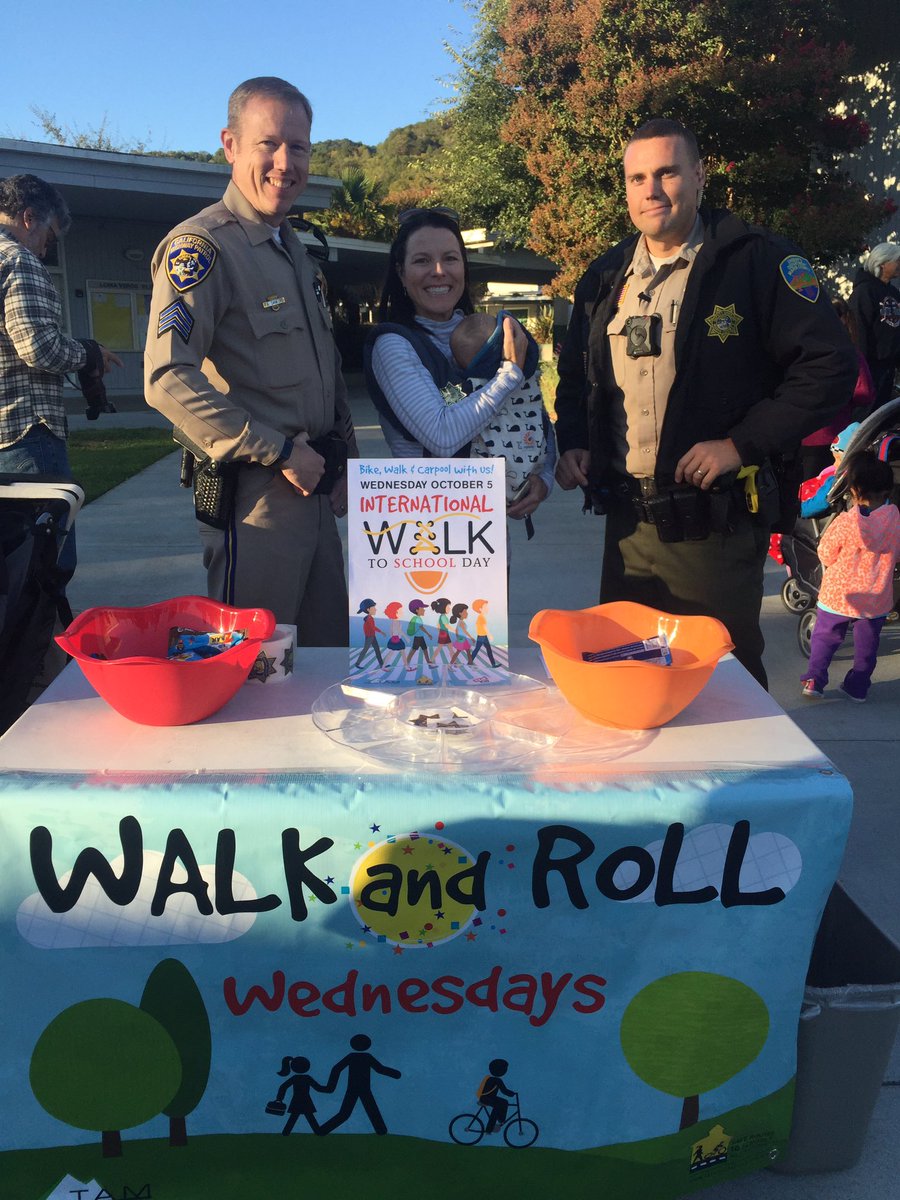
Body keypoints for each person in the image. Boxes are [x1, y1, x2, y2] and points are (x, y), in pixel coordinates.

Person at [554, 117, 858, 687]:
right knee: (630, 681)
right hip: (625, 529)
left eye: (667, 172)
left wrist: (740, 444)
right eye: (637, 177)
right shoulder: (603, 277)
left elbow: (829, 367)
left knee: (724, 689)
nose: (651, 189)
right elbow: (575, 374)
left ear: (698, 176)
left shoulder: (756, 261)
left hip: (710, 528)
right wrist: (572, 439)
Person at [144, 77, 357, 645]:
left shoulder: (299, 258)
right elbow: (166, 378)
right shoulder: (203, 248)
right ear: (230, 146)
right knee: (256, 673)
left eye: (300, 147)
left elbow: (328, 370)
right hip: (256, 500)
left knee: (325, 662)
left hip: (318, 491)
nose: (286, 162)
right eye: (268, 143)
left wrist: (347, 461)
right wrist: (281, 450)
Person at [364, 207, 550, 525]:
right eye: (422, 260)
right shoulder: (394, 345)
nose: (439, 271)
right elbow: (442, 436)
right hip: (427, 531)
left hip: (486, 536)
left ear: (463, 266)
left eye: (450, 258)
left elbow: (532, 410)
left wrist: (542, 477)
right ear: (401, 272)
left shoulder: (491, 335)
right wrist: (508, 374)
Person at [0, 174, 121, 585]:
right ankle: (43, 650)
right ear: (29, 217)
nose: (48, 250)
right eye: (49, 238)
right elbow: (38, 348)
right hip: (27, 433)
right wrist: (89, 353)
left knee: (8, 569)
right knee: (43, 567)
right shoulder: (19, 260)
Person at [801, 452, 900, 701]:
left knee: (825, 637)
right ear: (889, 488)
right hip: (875, 597)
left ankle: (815, 680)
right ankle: (858, 686)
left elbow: (825, 552)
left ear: (854, 491)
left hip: (838, 593)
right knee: (867, 646)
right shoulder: (895, 520)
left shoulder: (846, 522)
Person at [450, 311, 554, 514]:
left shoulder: (468, 387)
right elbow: (546, 429)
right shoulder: (528, 384)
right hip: (526, 475)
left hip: (477, 486)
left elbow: (444, 413)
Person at [798, 300, 874, 480]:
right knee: (827, 489)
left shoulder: (802, 348)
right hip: (835, 435)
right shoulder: (849, 353)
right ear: (845, 321)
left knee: (802, 491)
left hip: (800, 434)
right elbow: (865, 392)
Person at [848, 243, 900, 411]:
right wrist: (862, 367)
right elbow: (858, 330)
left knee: (884, 412)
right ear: (883, 263)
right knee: (867, 414)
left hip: (889, 365)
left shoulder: (893, 293)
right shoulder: (864, 292)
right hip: (871, 367)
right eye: (897, 261)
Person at [478, 1058, 516, 1134]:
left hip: (487, 1097)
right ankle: (489, 1129)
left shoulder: (489, 1078)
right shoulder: (497, 1080)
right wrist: (512, 1094)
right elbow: (504, 1090)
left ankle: (501, 1121)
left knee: (504, 1102)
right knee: (497, 1106)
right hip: (486, 1098)